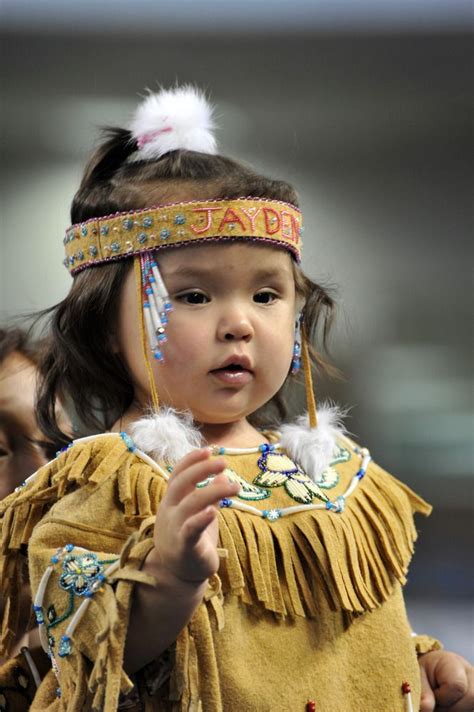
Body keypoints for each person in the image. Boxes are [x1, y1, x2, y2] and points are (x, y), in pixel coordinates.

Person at [0, 86, 472, 712]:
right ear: (105, 328)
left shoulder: (335, 472)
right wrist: (168, 583)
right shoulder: (104, 483)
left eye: (267, 295)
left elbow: (340, 630)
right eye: (194, 296)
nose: (240, 323)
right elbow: (79, 651)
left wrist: (419, 658)